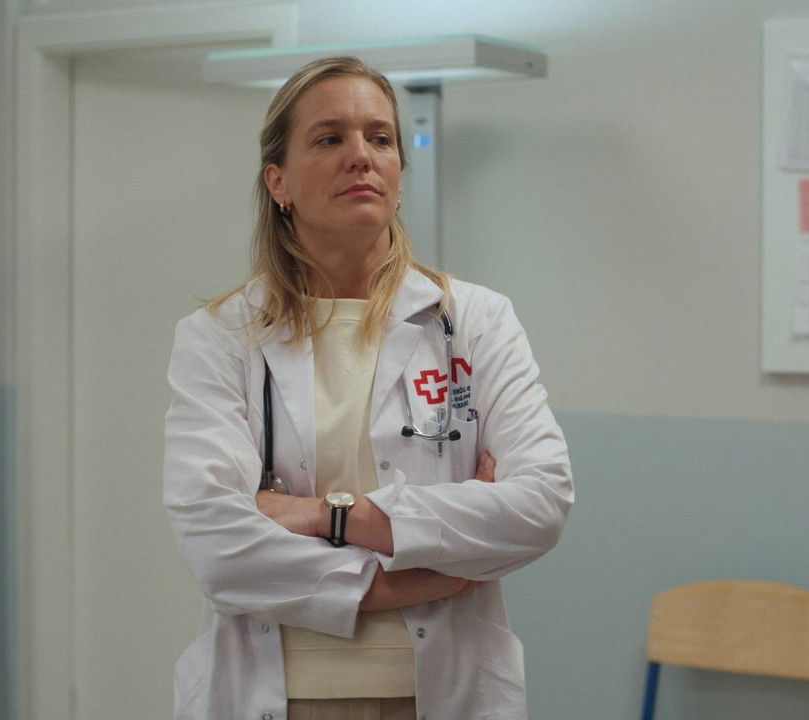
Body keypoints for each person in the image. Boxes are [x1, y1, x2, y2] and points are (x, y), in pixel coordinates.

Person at [163, 55, 573, 720]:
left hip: (442, 692)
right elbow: (218, 547)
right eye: (330, 138)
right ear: (278, 181)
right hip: (280, 697)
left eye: (380, 138)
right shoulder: (219, 337)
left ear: (399, 174)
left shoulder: (475, 321)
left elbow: (540, 503)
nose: (361, 155)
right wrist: (414, 579)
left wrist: (327, 517)